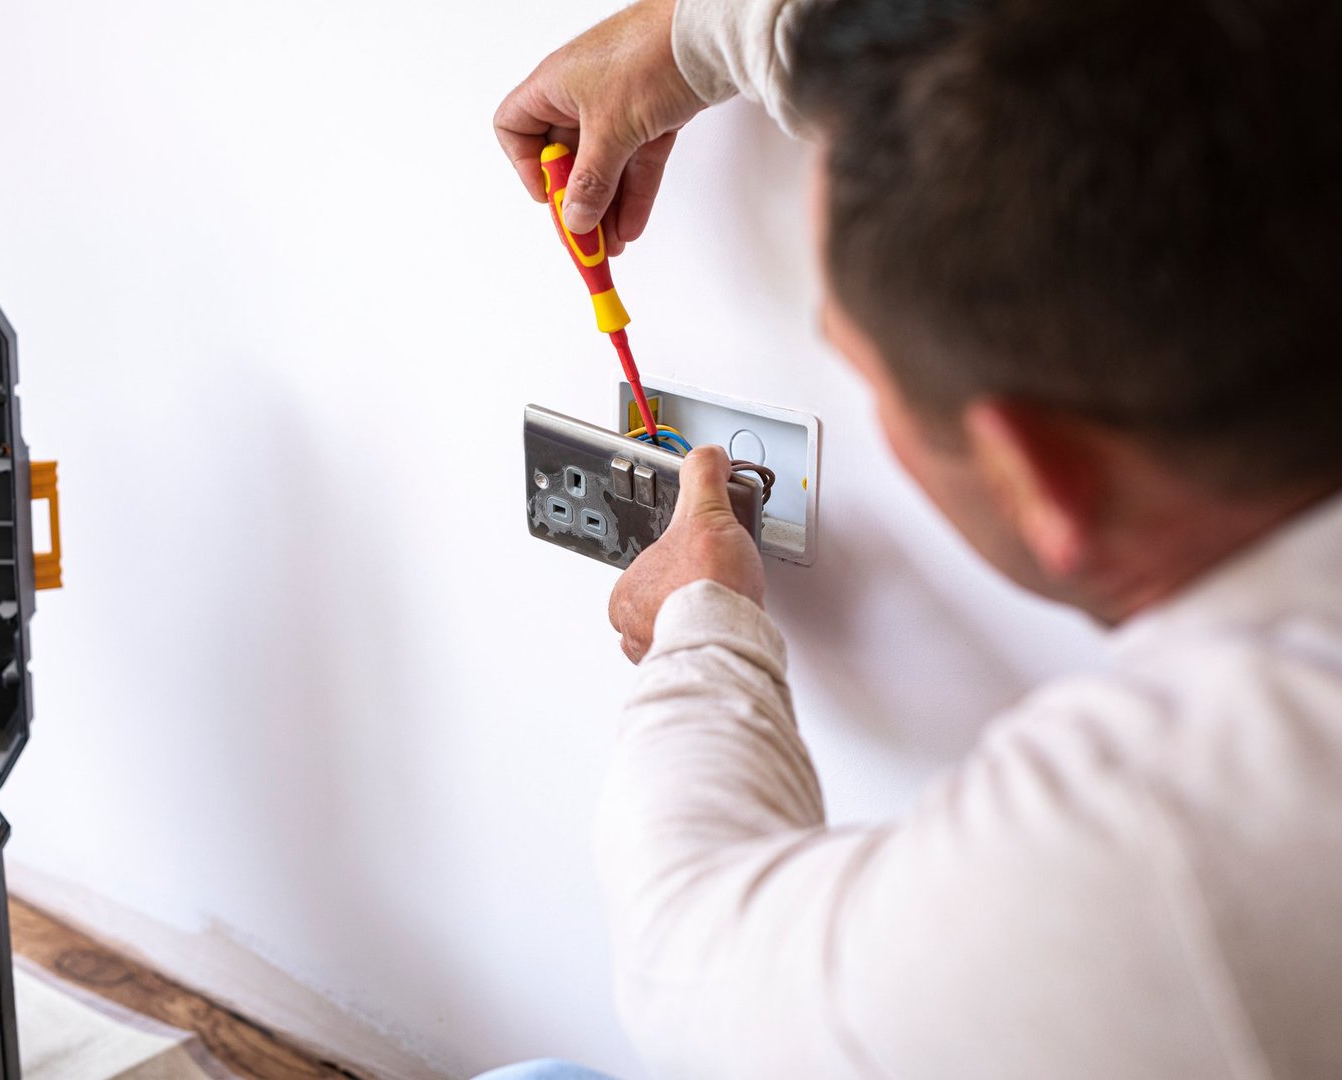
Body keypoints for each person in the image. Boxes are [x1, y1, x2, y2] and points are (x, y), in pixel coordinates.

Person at [487, 0, 1342, 1076]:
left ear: (1039, 478)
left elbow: (693, 972)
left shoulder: (1175, 852)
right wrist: (697, 36)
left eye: (864, 368)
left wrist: (698, 637)